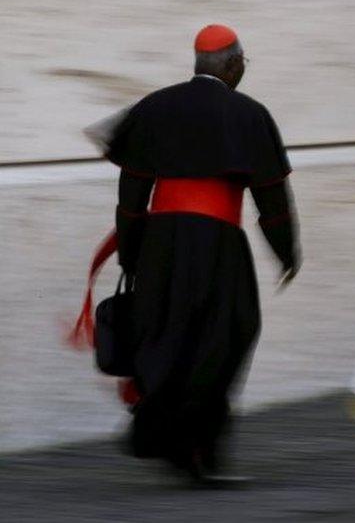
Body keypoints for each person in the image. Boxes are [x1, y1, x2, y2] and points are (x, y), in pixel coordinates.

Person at [78, 24, 300, 484]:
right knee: (228, 333)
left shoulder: (156, 106)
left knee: (169, 332)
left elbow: (132, 190)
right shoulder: (250, 114)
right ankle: (193, 448)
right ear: (234, 64)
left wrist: (131, 251)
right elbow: (271, 199)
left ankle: (168, 434)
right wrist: (286, 251)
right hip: (218, 244)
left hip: (161, 241)